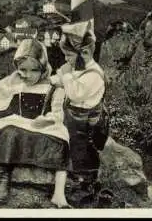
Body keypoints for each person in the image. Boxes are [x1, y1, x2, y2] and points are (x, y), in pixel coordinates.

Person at [0, 39, 71, 208]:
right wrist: (10, 81)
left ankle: (59, 194)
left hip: (45, 127)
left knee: (61, 142)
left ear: (43, 69)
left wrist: (48, 119)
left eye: (33, 70)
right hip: (21, 124)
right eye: (23, 69)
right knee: (8, 133)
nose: (28, 75)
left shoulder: (53, 87)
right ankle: (5, 176)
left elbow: (58, 113)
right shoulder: (19, 84)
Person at [49, 29, 110, 197]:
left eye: (69, 55)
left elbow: (76, 93)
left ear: (84, 53)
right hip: (75, 115)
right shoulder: (79, 68)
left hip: (87, 119)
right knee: (73, 147)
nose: (66, 59)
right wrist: (59, 78)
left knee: (85, 149)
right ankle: (77, 179)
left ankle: (87, 183)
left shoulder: (94, 74)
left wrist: (66, 77)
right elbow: (64, 78)